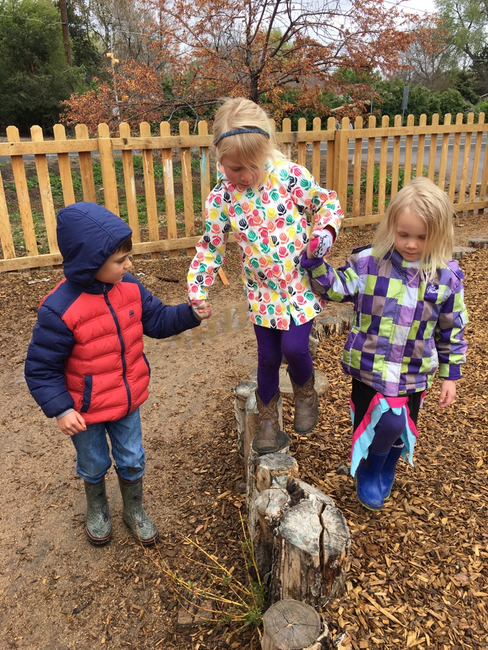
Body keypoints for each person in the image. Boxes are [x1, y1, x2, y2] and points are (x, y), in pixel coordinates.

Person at [25, 202, 209, 546]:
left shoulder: (130, 288)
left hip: (126, 399)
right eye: (121, 260)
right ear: (90, 263)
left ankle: (133, 509)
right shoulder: (60, 309)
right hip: (85, 410)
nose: (129, 265)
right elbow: (41, 368)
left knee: (132, 457)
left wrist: (190, 314)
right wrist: (61, 409)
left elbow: (158, 321)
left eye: (129, 257)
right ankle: (97, 507)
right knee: (93, 462)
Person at [301, 177, 468, 511]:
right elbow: (336, 288)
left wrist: (450, 375)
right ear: (391, 226)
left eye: (422, 237)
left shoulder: (445, 278)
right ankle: (370, 468)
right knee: (382, 420)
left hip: (412, 369)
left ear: (438, 234)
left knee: (400, 424)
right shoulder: (369, 263)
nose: (411, 244)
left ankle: (385, 466)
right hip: (370, 365)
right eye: (403, 234)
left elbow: (451, 329)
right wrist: (316, 264)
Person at [187, 97, 343, 454]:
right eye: (235, 168)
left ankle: (305, 391)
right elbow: (210, 247)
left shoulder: (288, 176)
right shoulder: (221, 197)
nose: (245, 176)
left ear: (266, 149)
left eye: (252, 166)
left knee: (294, 347)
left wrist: (324, 232)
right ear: (218, 156)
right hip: (262, 293)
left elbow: (326, 203)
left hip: (298, 286)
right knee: (268, 358)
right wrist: (198, 289)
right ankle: (269, 419)